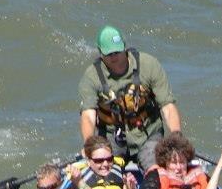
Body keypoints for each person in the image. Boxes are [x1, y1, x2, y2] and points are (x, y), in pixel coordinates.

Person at [78, 25, 182, 170]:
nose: (114, 57)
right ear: (100, 53)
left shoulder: (149, 65)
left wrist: (176, 137)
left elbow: (167, 106)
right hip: (110, 139)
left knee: (155, 174)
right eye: (109, 54)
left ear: (125, 48)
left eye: (117, 52)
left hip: (148, 135)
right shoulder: (91, 77)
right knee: (107, 177)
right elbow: (88, 115)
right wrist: (89, 146)